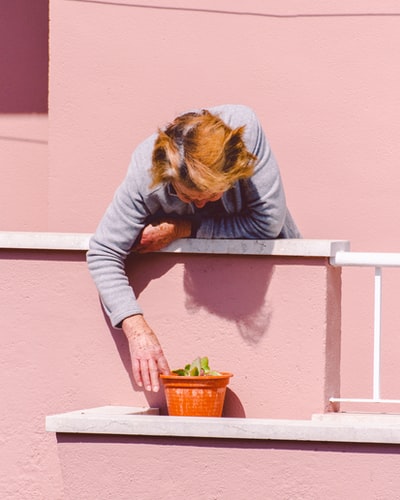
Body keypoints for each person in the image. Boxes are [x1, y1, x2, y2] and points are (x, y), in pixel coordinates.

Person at [87, 104, 300, 393]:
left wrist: (184, 228)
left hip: (278, 282)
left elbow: (266, 225)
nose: (201, 206)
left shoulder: (245, 131)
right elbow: (103, 252)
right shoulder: (143, 173)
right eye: (189, 197)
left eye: (212, 196)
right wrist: (136, 329)